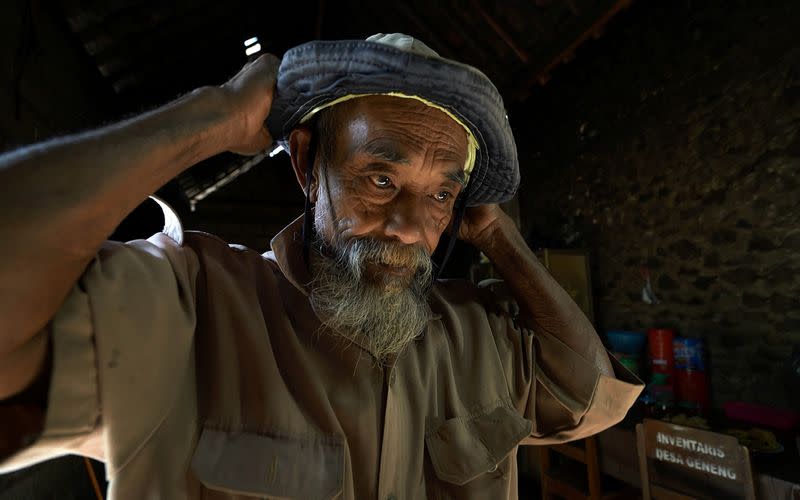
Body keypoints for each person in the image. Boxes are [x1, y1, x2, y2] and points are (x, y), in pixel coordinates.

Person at [0, 33, 642, 499]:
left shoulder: (473, 335)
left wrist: (499, 235)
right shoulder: (192, 309)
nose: (412, 228)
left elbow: (590, 400)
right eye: (381, 179)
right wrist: (212, 117)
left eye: (441, 194)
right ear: (308, 167)